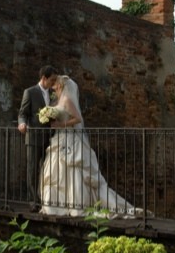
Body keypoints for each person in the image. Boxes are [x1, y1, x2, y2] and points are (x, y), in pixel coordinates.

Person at [39, 74, 138, 217]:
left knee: (74, 172)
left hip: (70, 139)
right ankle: (57, 204)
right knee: (57, 172)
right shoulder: (57, 102)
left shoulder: (67, 100)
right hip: (59, 138)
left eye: (55, 85)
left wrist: (61, 124)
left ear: (61, 85)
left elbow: (78, 119)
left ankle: (77, 205)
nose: (53, 87)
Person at [18, 64, 59, 211]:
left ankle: (46, 199)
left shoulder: (53, 94)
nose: (54, 83)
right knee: (33, 169)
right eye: (52, 80)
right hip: (34, 137)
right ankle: (33, 202)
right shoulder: (30, 92)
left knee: (48, 170)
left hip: (50, 138)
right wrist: (22, 124)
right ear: (43, 78)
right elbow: (22, 113)